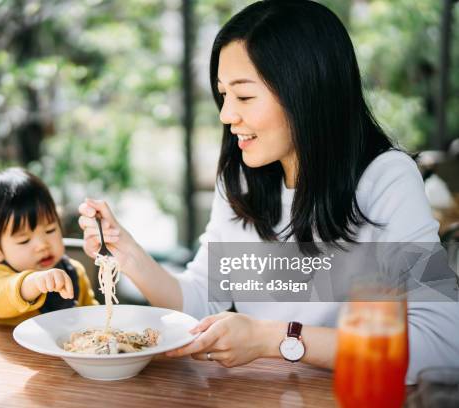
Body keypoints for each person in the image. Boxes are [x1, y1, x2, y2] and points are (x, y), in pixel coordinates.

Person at [77, 0, 459, 383]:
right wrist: (127, 254)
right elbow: (199, 301)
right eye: (223, 95)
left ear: (306, 91)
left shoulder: (386, 179)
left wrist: (275, 339)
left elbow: (443, 345)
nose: (227, 115)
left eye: (244, 97)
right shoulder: (242, 178)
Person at [0, 167, 97, 326]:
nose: (42, 245)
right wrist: (34, 282)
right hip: (1, 350)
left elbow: (92, 317)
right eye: (24, 240)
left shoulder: (74, 273)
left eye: (50, 230)